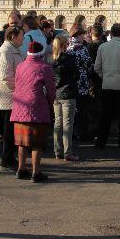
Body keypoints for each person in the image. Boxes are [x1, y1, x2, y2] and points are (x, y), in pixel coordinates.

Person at [11, 41, 56, 182]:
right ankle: (36, 173)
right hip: (37, 108)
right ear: (41, 54)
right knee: (37, 143)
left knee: (22, 143)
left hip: (19, 108)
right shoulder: (45, 68)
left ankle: (21, 169)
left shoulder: (20, 66)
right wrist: (50, 102)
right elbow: (51, 90)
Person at [93, 23, 120, 149]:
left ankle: (101, 141)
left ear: (110, 33)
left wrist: (104, 76)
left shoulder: (102, 47)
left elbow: (97, 67)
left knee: (105, 116)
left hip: (107, 84)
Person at [0, 25, 24, 170]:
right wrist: (20, 88)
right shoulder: (6, 50)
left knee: (11, 130)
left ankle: (9, 157)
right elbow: (5, 76)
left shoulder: (13, 49)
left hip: (14, 97)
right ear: (13, 36)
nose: (23, 39)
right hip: (9, 97)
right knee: (8, 131)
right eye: (22, 36)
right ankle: (7, 158)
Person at [50, 33, 80, 161]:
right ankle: (68, 152)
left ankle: (57, 150)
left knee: (57, 123)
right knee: (68, 124)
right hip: (68, 93)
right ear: (64, 45)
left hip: (56, 94)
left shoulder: (51, 60)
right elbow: (76, 75)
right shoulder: (69, 59)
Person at [67, 24, 96, 141]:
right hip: (82, 82)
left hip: (72, 82)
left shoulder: (68, 48)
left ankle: (72, 132)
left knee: (73, 109)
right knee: (82, 109)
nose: (84, 36)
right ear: (78, 35)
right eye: (83, 34)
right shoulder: (81, 48)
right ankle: (83, 133)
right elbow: (89, 65)